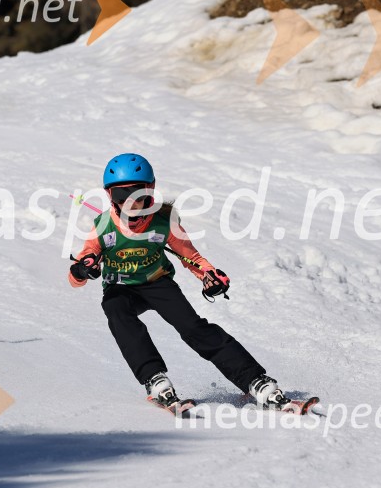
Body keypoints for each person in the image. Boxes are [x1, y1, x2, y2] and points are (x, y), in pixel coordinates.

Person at [68, 152, 297, 412]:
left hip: (157, 283)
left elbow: (192, 258)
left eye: (138, 194)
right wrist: (82, 270)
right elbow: (80, 268)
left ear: (150, 190)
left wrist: (210, 276)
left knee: (193, 327)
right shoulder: (103, 226)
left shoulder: (164, 222)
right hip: (120, 287)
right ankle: (155, 379)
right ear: (110, 196)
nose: (131, 204)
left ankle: (255, 380)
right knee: (116, 310)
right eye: (123, 196)